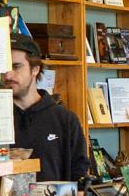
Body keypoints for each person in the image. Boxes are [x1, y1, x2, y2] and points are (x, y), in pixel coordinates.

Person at [7, 35, 88, 182]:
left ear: (35, 69)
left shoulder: (65, 119)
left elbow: (80, 174)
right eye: (4, 67)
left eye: (16, 67)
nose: (8, 74)